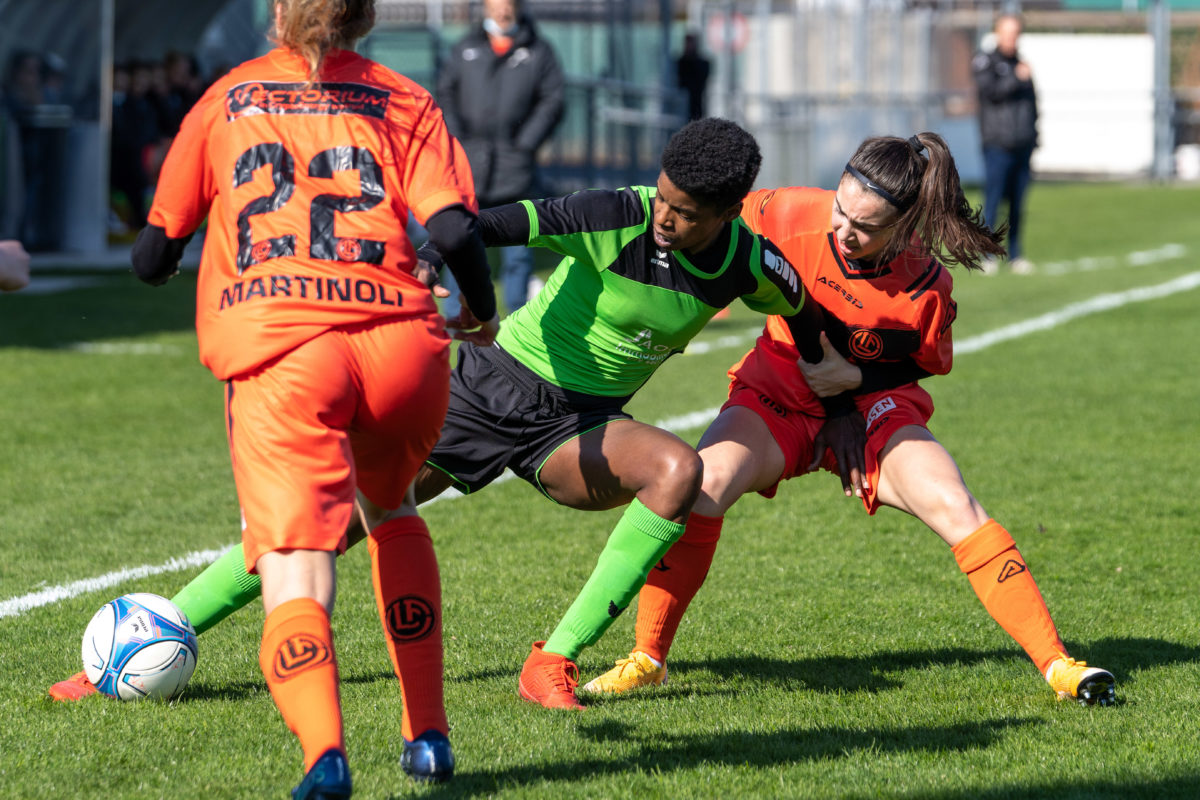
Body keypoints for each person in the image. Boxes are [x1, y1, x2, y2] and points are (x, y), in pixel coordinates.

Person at [51, 118, 840, 712]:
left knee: (678, 471)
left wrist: (825, 369)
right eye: (663, 198)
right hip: (488, 389)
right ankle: (149, 638)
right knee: (333, 519)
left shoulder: (746, 260)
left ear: (729, 212)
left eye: (685, 212)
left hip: (576, 427)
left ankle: (552, 661)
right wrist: (434, 261)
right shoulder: (615, 212)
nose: (665, 217)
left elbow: (800, 309)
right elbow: (491, 225)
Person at [581, 132, 1117, 708]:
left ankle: (1059, 665)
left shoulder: (926, 288)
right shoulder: (785, 212)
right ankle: (647, 658)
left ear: (904, 227)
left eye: (866, 225)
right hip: (775, 398)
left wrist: (855, 385)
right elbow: (708, 220)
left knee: (955, 505)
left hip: (873, 415)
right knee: (702, 485)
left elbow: (924, 363)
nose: (844, 230)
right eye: (841, 208)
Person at [113, 1, 498, 795]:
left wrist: (172, 261)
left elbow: (154, 252)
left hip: (285, 352)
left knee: (295, 562)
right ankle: (427, 735)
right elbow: (456, 233)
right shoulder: (403, 96)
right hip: (401, 348)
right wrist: (483, 313)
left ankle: (325, 755)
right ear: (364, 18)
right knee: (392, 513)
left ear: (281, 11)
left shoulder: (226, 96)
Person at [436, 0, 564, 317]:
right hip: (469, 164)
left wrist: (525, 144)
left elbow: (553, 100)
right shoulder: (465, 48)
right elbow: (446, 95)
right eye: (496, 4)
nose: (502, 11)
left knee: (519, 247)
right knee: (459, 238)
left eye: (509, 4)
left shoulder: (540, 51)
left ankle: (517, 314)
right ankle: (455, 312)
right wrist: (459, 142)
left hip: (516, 166)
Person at [973, 12, 1037, 276]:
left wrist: (1035, 137)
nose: (1012, 38)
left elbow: (1032, 105)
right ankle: (987, 254)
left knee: (1018, 203)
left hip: (1022, 143)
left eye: (1015, 33)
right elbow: (991, 93)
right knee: (993, 200)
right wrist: (1016, 78)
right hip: (997, 143)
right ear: (998, 33)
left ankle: (1016, 253)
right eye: (1007, 33)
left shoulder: (1021, 64)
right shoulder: (985, 62)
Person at [676, 31, 711, 122]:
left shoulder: (701, 63)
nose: (689, 46)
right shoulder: (681, 63)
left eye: (691, 43)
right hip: (681, 106)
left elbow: (701, 80)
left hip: (696, 105)